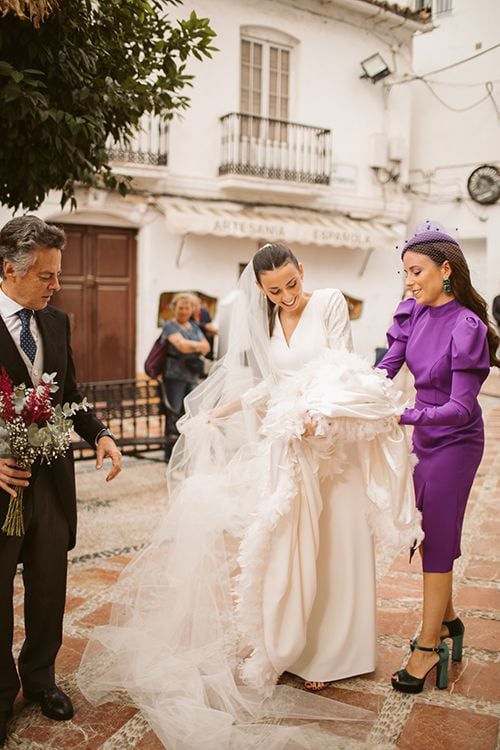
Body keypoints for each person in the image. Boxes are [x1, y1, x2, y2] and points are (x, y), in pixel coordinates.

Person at [78, 243, 422, 749]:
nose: (286, 296)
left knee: (334, 548)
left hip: (330, 446)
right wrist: (217, 413)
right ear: (260, 288)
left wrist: (317, 417)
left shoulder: (327, 302)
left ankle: (334, 654)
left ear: (302, 272)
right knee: (290, 547)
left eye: (291, 284)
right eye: (274, 290)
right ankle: (289, 645)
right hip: (289, 448)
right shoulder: (265, 322)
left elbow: (340, 372)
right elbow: (270, 385)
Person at [0, 216, 122, 747]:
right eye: (47, 276)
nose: (56, 285)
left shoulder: (57, 322)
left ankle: (41, 680)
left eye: (57, 274)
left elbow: (69, 394)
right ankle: (2, 692)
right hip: (1, 488)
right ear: (10, 269)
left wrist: (99, 433)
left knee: (49, 588)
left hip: (51, 486)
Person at [378, 222, 500, 695]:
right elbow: (387, 367)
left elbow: (462, 408)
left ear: (445, 270)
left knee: (440, 534)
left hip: (455, 440)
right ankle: (449, 621)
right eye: (405, 272)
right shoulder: (412, 312)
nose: (409, 280)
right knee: (425, 531)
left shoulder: (467, 326)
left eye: (417, 271)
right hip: (423, 437)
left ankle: (428, 646)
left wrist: (405, 415)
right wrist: (353, 394)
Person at [160, 292, 210, 460]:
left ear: (191, 310)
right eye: (180, 308)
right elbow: (180, 346)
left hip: (191, 376)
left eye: (187, 308)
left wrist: (191, 346)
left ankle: (185, 453)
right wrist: (196, 346)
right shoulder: (169, 326)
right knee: (173, 414)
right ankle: (170, 455)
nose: (183, 311)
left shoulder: (194, 327)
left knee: (190, 414)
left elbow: (207, 347)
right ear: (174, 308)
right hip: (174, 377)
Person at [190, 292, 218, 360]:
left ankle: (209, 358)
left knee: (210, 336)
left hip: (205, 336)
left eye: (197, 305)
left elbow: (209, 324)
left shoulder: (204, 311)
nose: (195, 308)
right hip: (193, 337)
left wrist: (211, 329)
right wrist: (204, 325)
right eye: (192, 305)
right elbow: (189, 324)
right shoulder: (188, 313)